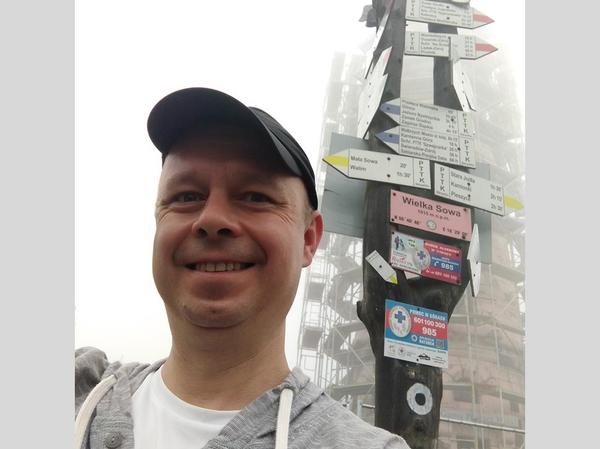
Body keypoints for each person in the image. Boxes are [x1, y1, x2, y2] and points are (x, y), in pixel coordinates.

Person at [75, 87, 410, 449]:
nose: (212, 219)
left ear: (309, 239)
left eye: (255, 197)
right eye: (186, 197)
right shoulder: (78, 387)